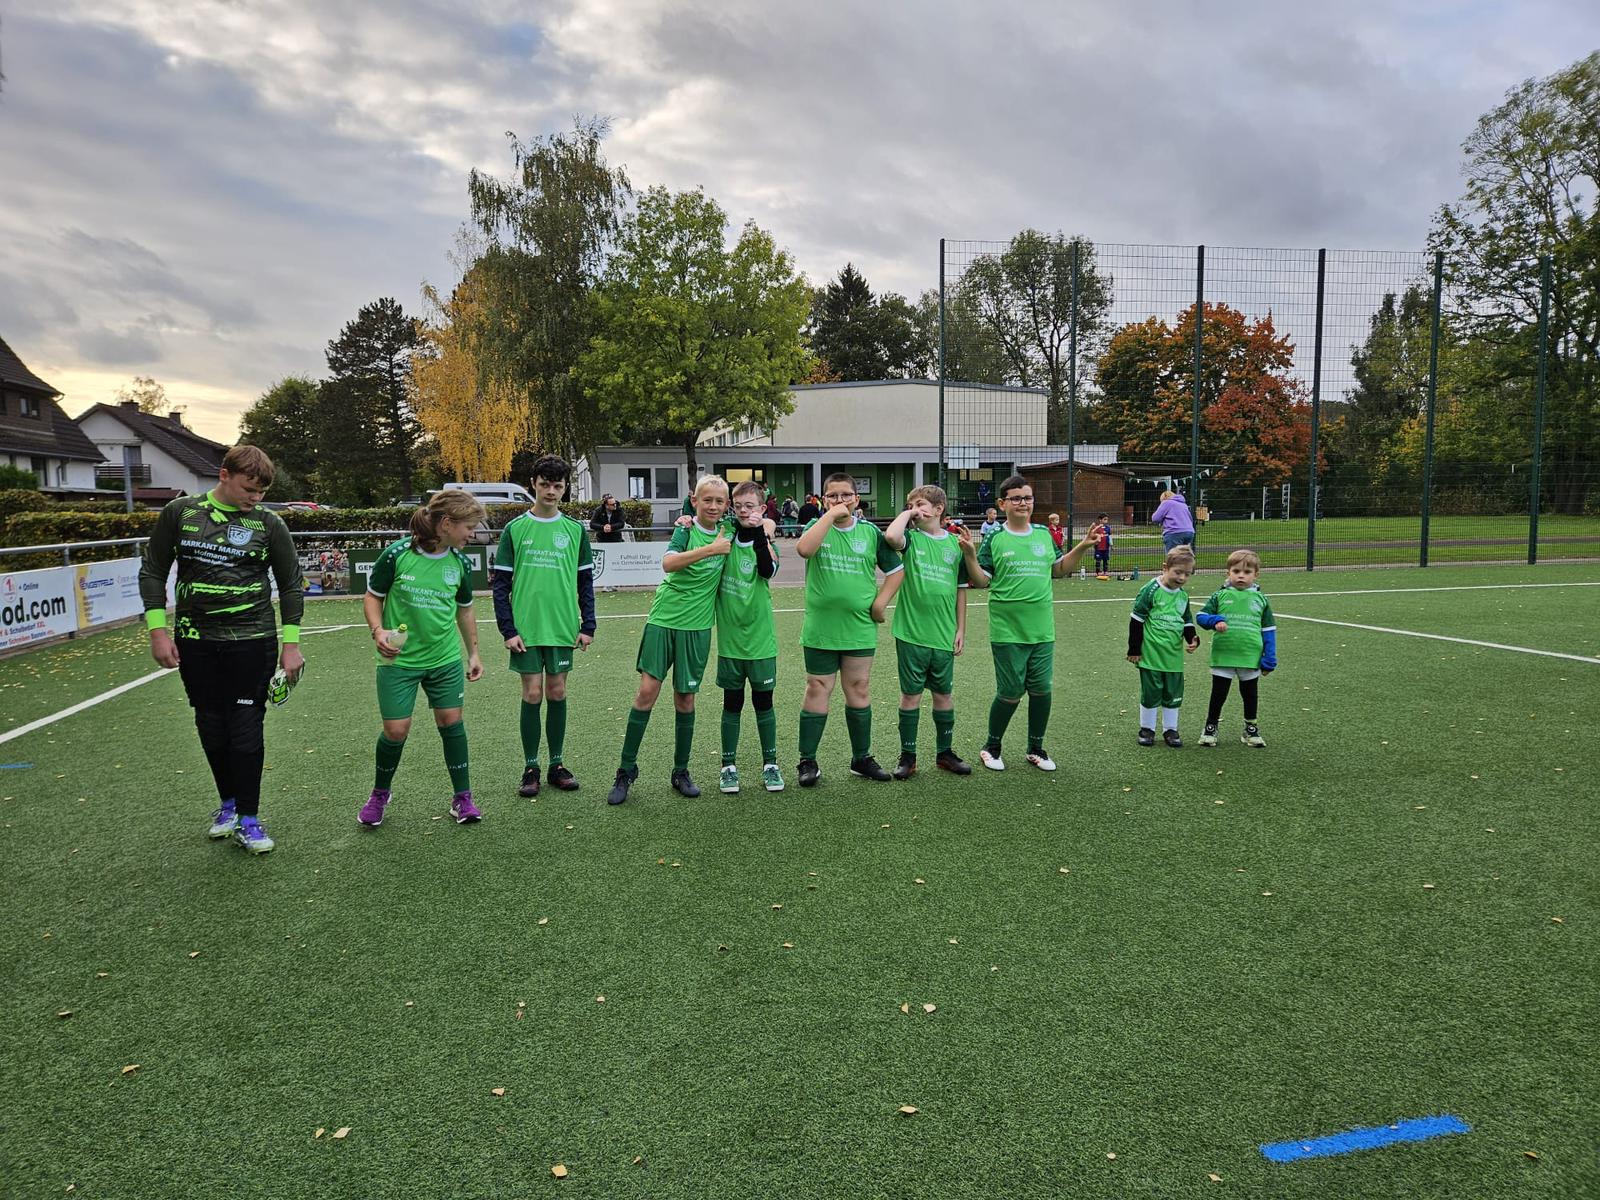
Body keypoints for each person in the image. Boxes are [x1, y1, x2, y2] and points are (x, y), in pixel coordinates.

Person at [139, 445, 305, 855]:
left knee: (245, 726)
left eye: (262, 492)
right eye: (249, 489)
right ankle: (228, 804)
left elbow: (290, 585)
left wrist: (291, 645)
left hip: (252, 640)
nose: (255, 498)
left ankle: (249, 818)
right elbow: (153, 570)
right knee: (211, 724)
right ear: (224, 475)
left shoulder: (268, 524)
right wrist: (158, 632)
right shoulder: (180, 513)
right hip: (195, 640)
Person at [359, 490, 486, 826]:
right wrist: (378, 631)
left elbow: (465, 610)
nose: (472, 534)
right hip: (399, 661)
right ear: (446, 524)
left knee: (451, 723)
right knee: (395, 730)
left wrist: (473, 653)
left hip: (444, 659)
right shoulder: (397, 555)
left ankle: (463, 798)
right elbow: (372, 597)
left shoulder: (459, 563)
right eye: (469, 527)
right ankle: (379, 794)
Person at [609, 475, 732, 805]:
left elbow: (757, 520)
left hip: (697, 626)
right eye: (707, 500)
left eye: (719, 501)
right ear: (695, 501)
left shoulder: (729, 529)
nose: (713, 506)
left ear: (726, 505)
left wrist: (767, 524)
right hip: (664, 619)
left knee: (685, 699)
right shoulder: (685, 529)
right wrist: (710, 549)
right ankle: (626, 770)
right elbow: (668, 563)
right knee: (647, 692)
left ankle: (680, 771)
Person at [968, 475, 1094, 771]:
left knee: (1041, 690)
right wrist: (970, 556)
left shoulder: (1043, 534)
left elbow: (1058, 570)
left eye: (1027, 498)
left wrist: (1083, 546)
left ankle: (1036, 748)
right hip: (1007, 630)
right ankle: (991, 746)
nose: (1023, 503)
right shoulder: (994, 538)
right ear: (1002, 504)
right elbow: (981, 581)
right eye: (1016, 498)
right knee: (1011, 691)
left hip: (1042, 630)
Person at [493, 455, 597, 798]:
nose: (551, 491)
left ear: (565, 488)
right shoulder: (515, 529)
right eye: (545, 485)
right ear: (533, 485)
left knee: (557, 692)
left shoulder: (574, 530)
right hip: (526, 629)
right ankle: (531, 767)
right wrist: (508, 630)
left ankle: (557, 765)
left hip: (562, 627)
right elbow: (501, 586)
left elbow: (585, 582)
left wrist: (588, 624)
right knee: (532, 693)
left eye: (557, 485)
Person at [794, 472, 903, 786]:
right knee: (818, 687)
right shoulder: (816, 526)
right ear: (823, 500)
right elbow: (804, 550)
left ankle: (861, 758)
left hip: (859, 627)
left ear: (857, 499)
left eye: (845, 495)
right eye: (832, 496)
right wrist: (829, 516)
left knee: (859, 688)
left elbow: (897, 570)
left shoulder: (870, 533)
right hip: (821, 628)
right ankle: (807, 761)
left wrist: (880, 604)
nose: (839, 500)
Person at [871, 484, 980, 779]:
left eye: (920, 504)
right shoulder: (911, 539)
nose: (915, 509)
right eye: (911, 505)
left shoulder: (955, 545)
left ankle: (945, 753)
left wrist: (961, 629)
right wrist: (908, 513)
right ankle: (908, 756)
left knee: (944, 695)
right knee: (911, 696)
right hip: (911, 633)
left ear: (938, 509)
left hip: (943, 635)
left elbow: (961, 590)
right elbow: (890, 536)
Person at [716, 481, 782, 794]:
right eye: (739, 506)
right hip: (730, 641)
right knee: (732, 703)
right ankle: (728, 766)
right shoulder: (724, 535)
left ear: (762, 508)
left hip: (760, 640)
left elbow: (767, 571)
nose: (744, 511)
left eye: (750, 506)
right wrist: (686, 519)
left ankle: (771, 764)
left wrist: (761, 531)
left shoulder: (766, 541)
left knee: (763, 702)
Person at [1194, 549, 1277, 748]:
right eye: (1236, 571)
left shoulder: (1261, 599)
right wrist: (1215, 621)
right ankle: (1210, 727)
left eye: (1247, 572)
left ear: (1256, 575)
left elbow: (1269, 630)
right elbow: (1201, 617)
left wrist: (1269, 658)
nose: (1241, 576)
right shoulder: (1219, 595)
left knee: (1250, 695)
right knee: (1218, 694)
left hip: (1250, 656)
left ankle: (1250, 729)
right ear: (1228, 573)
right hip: (1224, 654)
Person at [1127, 545, 1200, 748]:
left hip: (1173, 656)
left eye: (1187, 574)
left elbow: (1186, 620)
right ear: (1165, 568)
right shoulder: (1151, 590)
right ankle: (1147, 729)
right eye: (1178, 572)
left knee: (1173, 694)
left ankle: (1170, 729)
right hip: (1151, 654)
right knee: (1151, 693)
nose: (1182, 578)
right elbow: (1136, 620)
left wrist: (1192, 638)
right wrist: (1134, 649)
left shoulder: (1182, 595)